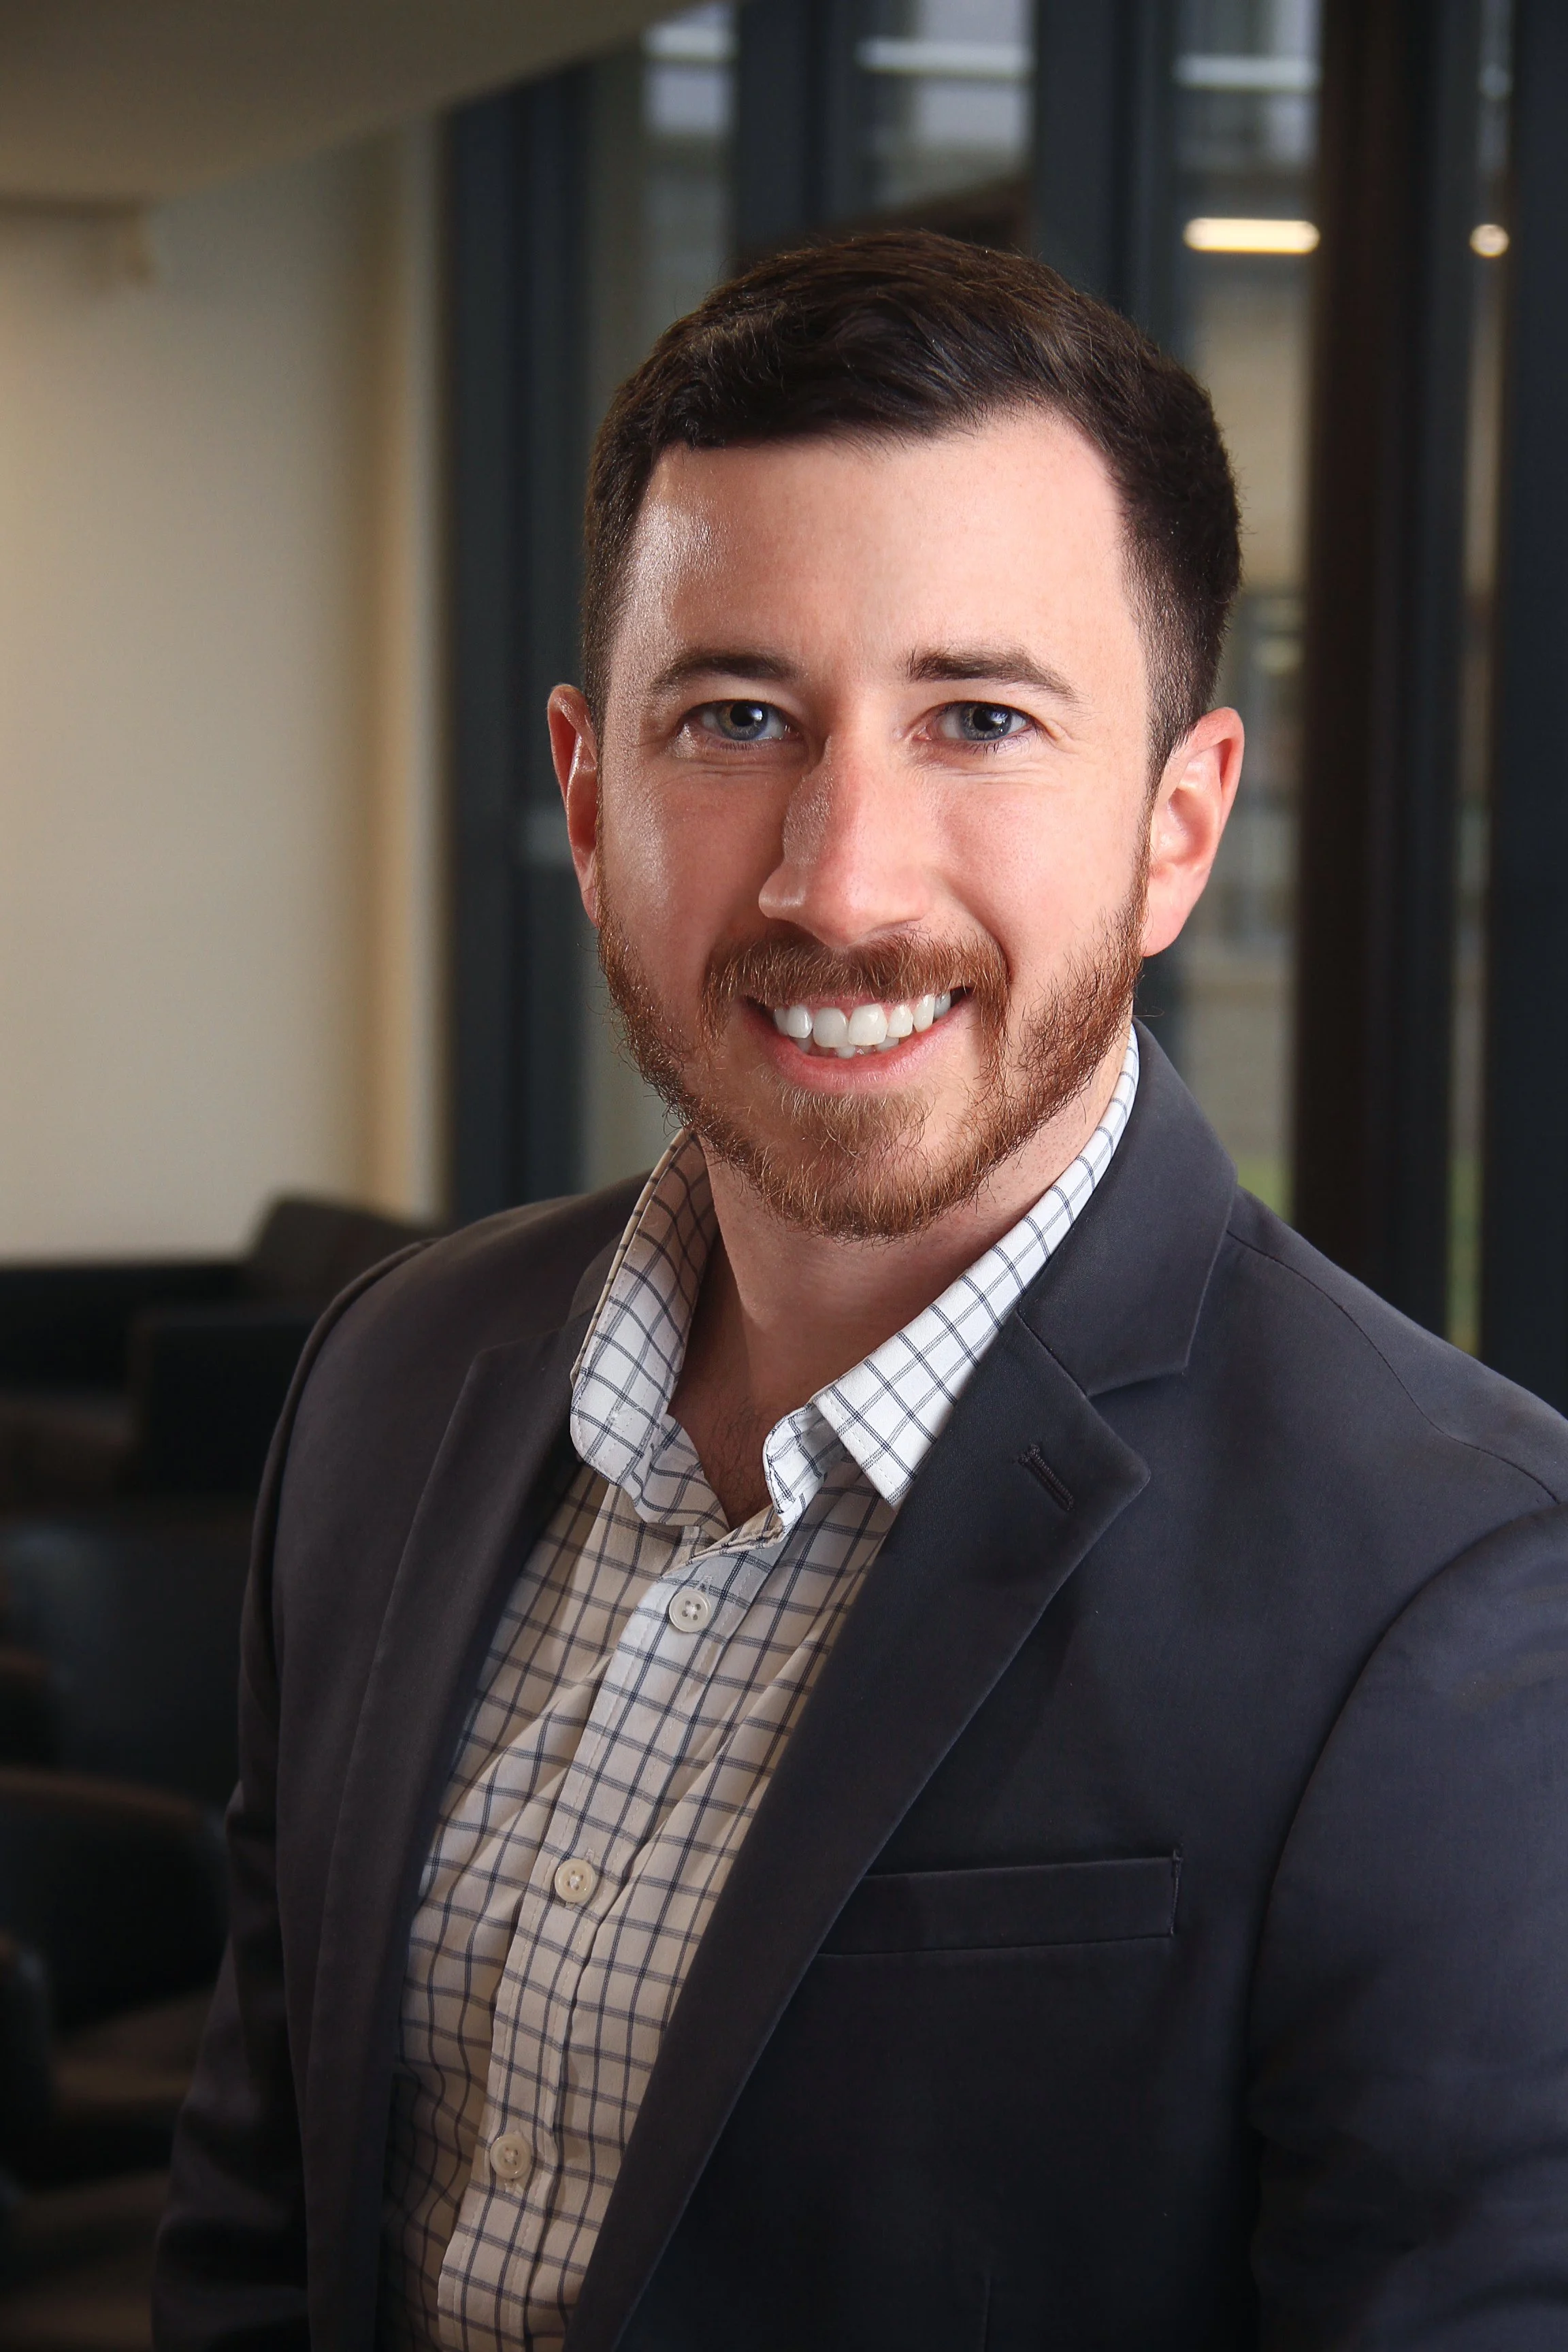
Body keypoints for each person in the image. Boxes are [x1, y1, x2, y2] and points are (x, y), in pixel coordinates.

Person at [153, 231, 1568, 2352]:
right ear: (584, 790)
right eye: (735, 718)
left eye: (980, 720)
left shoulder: (1455, 1590)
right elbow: (262, 2232)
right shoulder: (390, 1382)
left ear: (1179, 829)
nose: (841, 879)